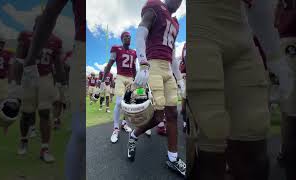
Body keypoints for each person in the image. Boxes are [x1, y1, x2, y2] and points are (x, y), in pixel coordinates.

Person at [186, 0, 277, 179]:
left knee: (254, 137)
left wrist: (276, 57)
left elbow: (260, 6)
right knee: (212, 146)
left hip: (243, 39)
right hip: (201, 35)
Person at [20, 0, 84, 179]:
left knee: (46, 113)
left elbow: (57, 64)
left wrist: (62, 83)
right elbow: (50, 12)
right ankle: (24, 140)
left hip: (47, 77)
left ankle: (44, 148)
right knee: (26, 114)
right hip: (30, 76)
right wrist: (17, 79)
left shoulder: (56, 42)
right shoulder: (27, 37)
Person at [131, 0, 186, 176]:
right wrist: (143, 62)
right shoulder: (154, 5)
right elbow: (140, 32)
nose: (177, 2)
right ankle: (133, 136)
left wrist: (179, 80)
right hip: (153, 65)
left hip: (169, 69)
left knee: (172, 114)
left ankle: (173, 158)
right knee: (157, 116)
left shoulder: (176, 22)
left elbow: (173, 55)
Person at [273, 1, 296, 179]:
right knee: (291, 109)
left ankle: (286, 154)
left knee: (290, 109)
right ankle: (288, 156)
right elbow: (277, 23)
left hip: (288, 43)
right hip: (290, 43)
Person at [102, 31, 136, 143]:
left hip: (130, 78)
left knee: (129, 104)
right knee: (118, 102)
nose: (128, 38)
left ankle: (124, 123)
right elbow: (109, 64)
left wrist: (135, 80)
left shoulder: (133, 52)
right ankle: (116, 128)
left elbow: (134, 68)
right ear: (122, 38)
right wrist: (102, 80)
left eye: (130, 36)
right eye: (126, 36)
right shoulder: (116, 48)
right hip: (121, 77)